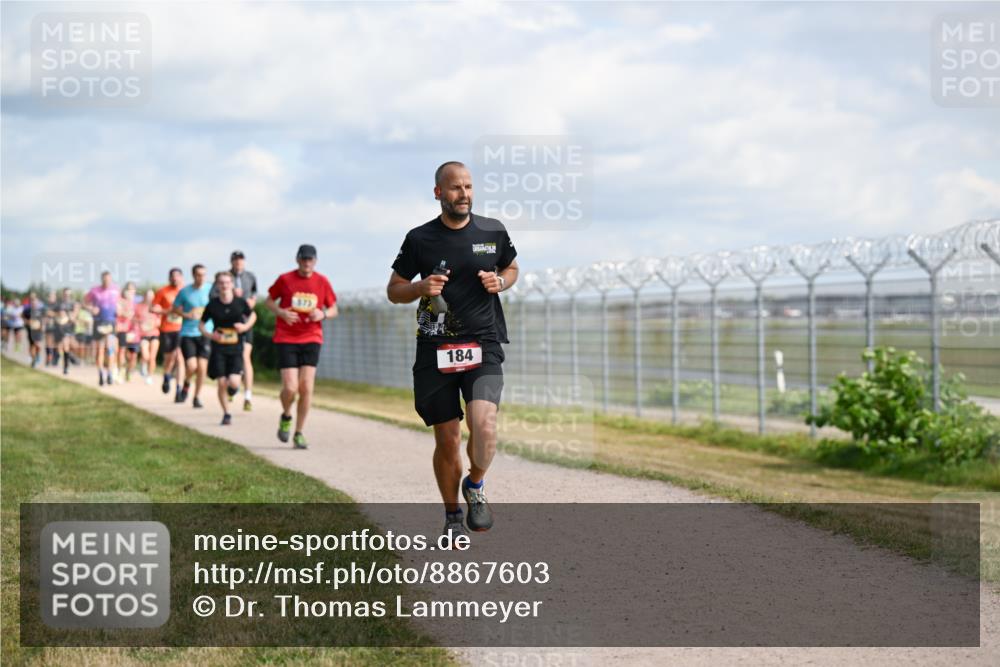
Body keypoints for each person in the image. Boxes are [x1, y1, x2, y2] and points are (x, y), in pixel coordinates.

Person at [386, 161, 519, 539]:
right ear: (438, 193)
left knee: (484, 425)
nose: (464, 194)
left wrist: (501, 281)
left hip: (483, 342)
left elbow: (512, 268)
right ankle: (452, 518)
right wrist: (418, 288)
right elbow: (394, 289)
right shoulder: (419, 239)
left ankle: (475, 485)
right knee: (447, 439)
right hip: (435, 348)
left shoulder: (492, 231)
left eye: (469, 187)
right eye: (456, 188)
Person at [264, 244, 337, 449]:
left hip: (312, 337)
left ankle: (299, 432)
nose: (306, 263)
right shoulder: (285, 279)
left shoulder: (322, 281)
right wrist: (281, 312)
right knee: (290, 388)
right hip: (286, 337)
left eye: (310, 259)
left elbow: (333, 309)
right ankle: (286, 415)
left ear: (315, 261)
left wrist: (322, 314)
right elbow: (269, 301)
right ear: (297, 260)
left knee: (306, 387)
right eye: (303, 259)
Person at [200, 271, 256, 425]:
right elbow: (202, 324)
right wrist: (211, 336)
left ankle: (233, 390)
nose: (224, 285)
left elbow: (253, 316)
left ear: (232, 284)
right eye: (221, 283)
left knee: (234, 382)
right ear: (217, 285)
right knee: (221, 382)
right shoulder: (212, 305)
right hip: (219, 348)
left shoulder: (239, 302)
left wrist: (244, 327)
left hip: (236, 348)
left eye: (227, 282)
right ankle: (226, 413)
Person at [212, 250, 259, 412]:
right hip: (226, 326)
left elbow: (254, 296)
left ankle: (247, 395)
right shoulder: (224, 278)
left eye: (241, 260)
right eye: (235, 260)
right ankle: (231, 386)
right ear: (231, 261)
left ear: (244, 261)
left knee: (246, 356)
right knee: (229, 359)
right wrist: (229, 293)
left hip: (244, 324)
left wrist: (249, 302)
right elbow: (213, 297)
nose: (238, 262)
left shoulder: (250, 277)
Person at [172, 264, 212, 408]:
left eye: (204, 274)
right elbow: (174, 308)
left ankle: (197, 397)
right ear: (193, 275)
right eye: (199, 275)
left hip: (206, 332)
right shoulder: (185, 292)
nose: (201, 277)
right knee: (191, 365)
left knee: (202, 367)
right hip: (188, 333)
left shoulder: (211, 289)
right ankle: (187, 383)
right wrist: (186, 314)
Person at [152, 268, 185, 400]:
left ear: (181, 278)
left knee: (179, 357)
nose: (175, 279)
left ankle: (179, 389)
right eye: (173, 277)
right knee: (169, 359)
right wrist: (167, 311)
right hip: (166, 329)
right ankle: (166, 376)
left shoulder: (185, 292)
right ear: (169, 278)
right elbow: (153, 308)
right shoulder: (163, 291)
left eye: (177, 276)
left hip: (182, 329)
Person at [85, 272, 120, 385]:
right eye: (104, 280)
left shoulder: (116, 290)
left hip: (111, 322)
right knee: (100, 350)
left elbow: (120, 304)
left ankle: (110, 373)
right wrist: (91, 309)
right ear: (101, 280)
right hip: (99, 322)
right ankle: (101, 374)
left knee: (110, 349)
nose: (106, 282)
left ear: (111, 279)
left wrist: (120, 310)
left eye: (108, 280)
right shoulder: (94, 290)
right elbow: (84, 302)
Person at [116, 282, 141, 381]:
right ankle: (121, 371)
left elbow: (139, 316)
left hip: (134, 332)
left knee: (133, 355)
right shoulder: (120, 301)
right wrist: (126, 313)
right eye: (128, 289)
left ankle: (129, 371)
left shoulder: (137, 303)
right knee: (122, 351)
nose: (130, 292)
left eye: (132, 290)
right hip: (122, 329)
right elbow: (119, 312)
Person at [136, 289, 160, 384]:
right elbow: (135, 319)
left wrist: (152, 325)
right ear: (145, 296)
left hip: (154, 334)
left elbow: (159, 321)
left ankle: (149, 376)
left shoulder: (156, 307)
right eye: (148, 296)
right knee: (146, 355)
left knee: (152, 357)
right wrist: (140, 325)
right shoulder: (139, 307)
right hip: (143, 335)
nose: (150, 298)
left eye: (152, 296)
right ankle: (143, 364)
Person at [55, 288, 79, 374]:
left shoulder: (74, 304)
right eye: (65, 294)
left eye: (69, 294)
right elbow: (51, 312)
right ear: (63, 294)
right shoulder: (59, 304)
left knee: (74, 346)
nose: (67, 296)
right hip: (62, 328)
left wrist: (68, 315)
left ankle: (71, 357)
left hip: (71, 328)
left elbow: (74, 315)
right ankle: (65, 367)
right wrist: (58, 314)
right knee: (65, 345)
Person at [23, 292, 45, 368]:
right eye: (32, 300)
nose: (33, 302)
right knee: (32, 345)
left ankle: (37, 355)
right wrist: (27, 322)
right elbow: (23, 317)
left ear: (37, 301)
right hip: (30, 330)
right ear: (30, 302)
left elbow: (43, 319)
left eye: (35, 300)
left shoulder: (40, 310)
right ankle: (34, 360)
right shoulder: (27, 310)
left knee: (38, 345)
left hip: (38, 330)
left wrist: (42, 326)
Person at [73, 298, 94, 362]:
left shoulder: (84, 312)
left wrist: (79, 320)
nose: (76, 307)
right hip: (73, 332)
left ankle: (82, 360)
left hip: (82, 331)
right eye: (75, 306)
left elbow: (88, 322)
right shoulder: (72, 312)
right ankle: (77, 358)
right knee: (75, 346)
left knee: (82, 346)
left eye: (77, 306)